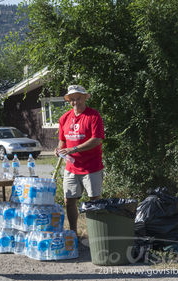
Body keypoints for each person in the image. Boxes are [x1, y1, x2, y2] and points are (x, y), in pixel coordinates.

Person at [55, 85, 105, 234]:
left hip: (91, 167)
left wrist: (74, 149)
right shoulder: (64, 118)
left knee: (95, 201)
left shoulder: (93, 116)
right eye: (72, 99)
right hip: (71, 168)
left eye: (78, 98)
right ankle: (73, 233)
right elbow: (62, 141)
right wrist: (59, 150)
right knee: (69, 201)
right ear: (69, 101)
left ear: (84, 98)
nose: (75, 102)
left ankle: (97, 233)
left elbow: (97, 140)